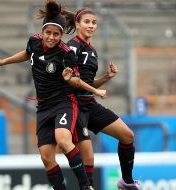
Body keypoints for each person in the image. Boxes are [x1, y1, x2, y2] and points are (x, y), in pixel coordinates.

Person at [0, 1, 105, 190]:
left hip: (64, 102)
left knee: (63, 139)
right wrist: (3, 61)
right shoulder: (34, 41)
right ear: (42, 32)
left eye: (56, 34)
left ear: (61, 36)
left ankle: (86, 186)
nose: (51, 37)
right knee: (46, 156)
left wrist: (76, 81)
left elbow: (76, 81)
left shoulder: (66, 53)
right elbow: (27, 54)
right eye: (48, 33)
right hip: (43, 106)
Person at [63, 8, 140, 190]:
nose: (91, 26)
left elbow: (87, 83)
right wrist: (95, 91)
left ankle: (126, 182)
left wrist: (106, 77)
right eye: (86, 22)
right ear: (77, 24)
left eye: (94, 22)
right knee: (88, 157)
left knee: (127, 136)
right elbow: (72, 82)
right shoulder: (72, 47)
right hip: (74, 107)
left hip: (90, 104)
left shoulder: (91, 50)